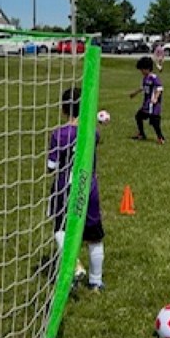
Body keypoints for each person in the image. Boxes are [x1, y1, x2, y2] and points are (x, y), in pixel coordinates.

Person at [47, 87, 105, 292]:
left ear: (64, 109)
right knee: (94, 237)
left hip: (63, 187)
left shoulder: (58, 134)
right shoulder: (93, 132)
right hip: (88, 188)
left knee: (61, 229)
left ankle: (74, 264)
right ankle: (96, 281)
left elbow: (51, 167)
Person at [129, 56, 165, 144]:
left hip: (153, 106)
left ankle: (161, 138)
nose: (141, 71)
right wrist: (134, 93)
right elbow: (143, 88)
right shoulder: (145, 78)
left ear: (147, 68)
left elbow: (159, 88)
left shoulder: (154, 77)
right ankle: (141, 134)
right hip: (146, 105)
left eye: (142, 69)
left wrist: (156, 98)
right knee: (138, 116)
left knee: (155, 122)